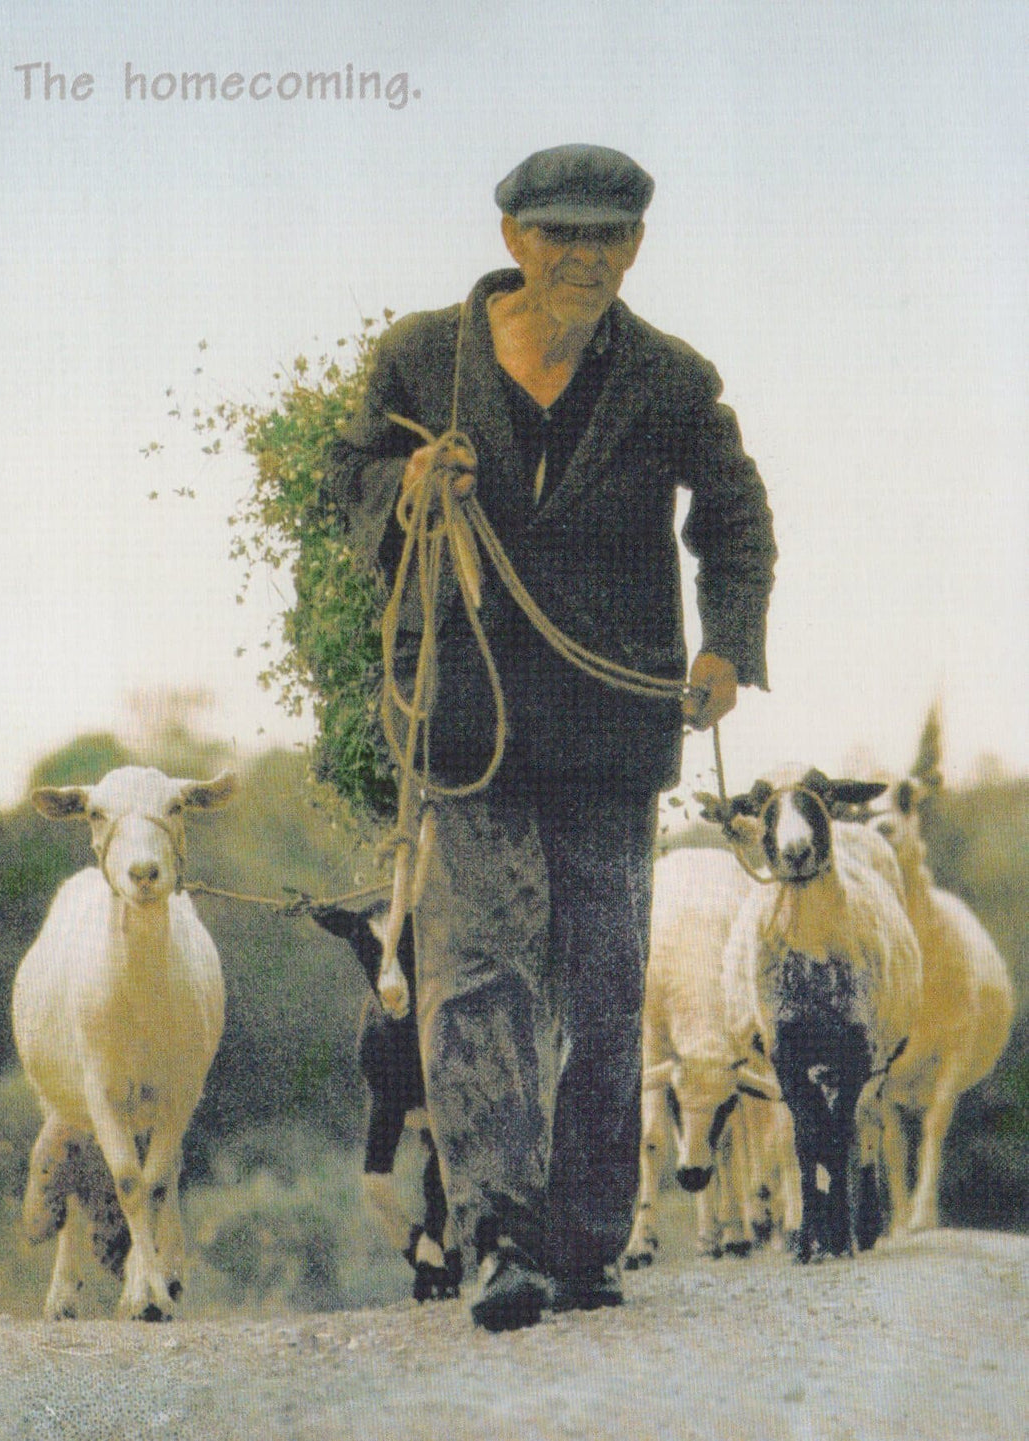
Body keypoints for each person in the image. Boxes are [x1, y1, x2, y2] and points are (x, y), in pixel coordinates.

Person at [330, 144, 777, 1330]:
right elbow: (348, 473)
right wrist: (407, 482)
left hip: (614, 715)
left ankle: (585, 1240)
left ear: (636, 244)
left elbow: (735, 515)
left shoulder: (670, 377)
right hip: (464, 711)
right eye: (559, 233)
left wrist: (727, 647)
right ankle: (502, 1237)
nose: (584, 256)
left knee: (604, 976)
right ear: (511, 238)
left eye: (607, 235)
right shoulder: (422, 356)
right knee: (479, 969)